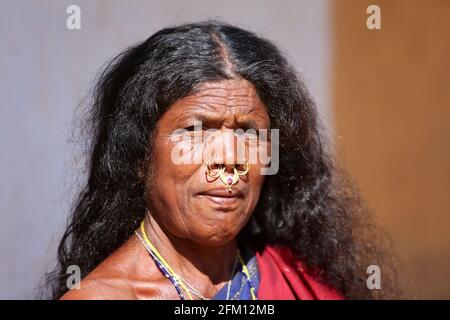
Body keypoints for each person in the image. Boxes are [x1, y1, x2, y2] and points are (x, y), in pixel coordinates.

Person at [46, 21, 399, 300]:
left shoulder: (299, 279)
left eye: (248, 134)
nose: (229, 159)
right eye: (197, 131)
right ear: (138, 155)